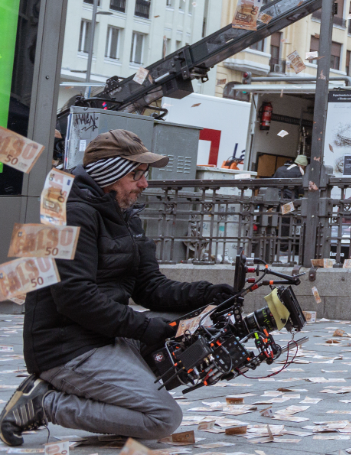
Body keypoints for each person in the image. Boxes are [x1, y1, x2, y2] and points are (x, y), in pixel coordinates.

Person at [1, 130, 236, 445]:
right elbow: (75, 298)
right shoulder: (66, 214)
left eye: (145, 174)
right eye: (136, 174)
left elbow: (150, 287)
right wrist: (149, 328)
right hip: (66, 348)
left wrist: (208, 294)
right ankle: (45, 404)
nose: (144, 183)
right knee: (163, 418)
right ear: (108, 175)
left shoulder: (126, 215)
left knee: (195, 322)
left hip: (103, 333)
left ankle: (100, 388)